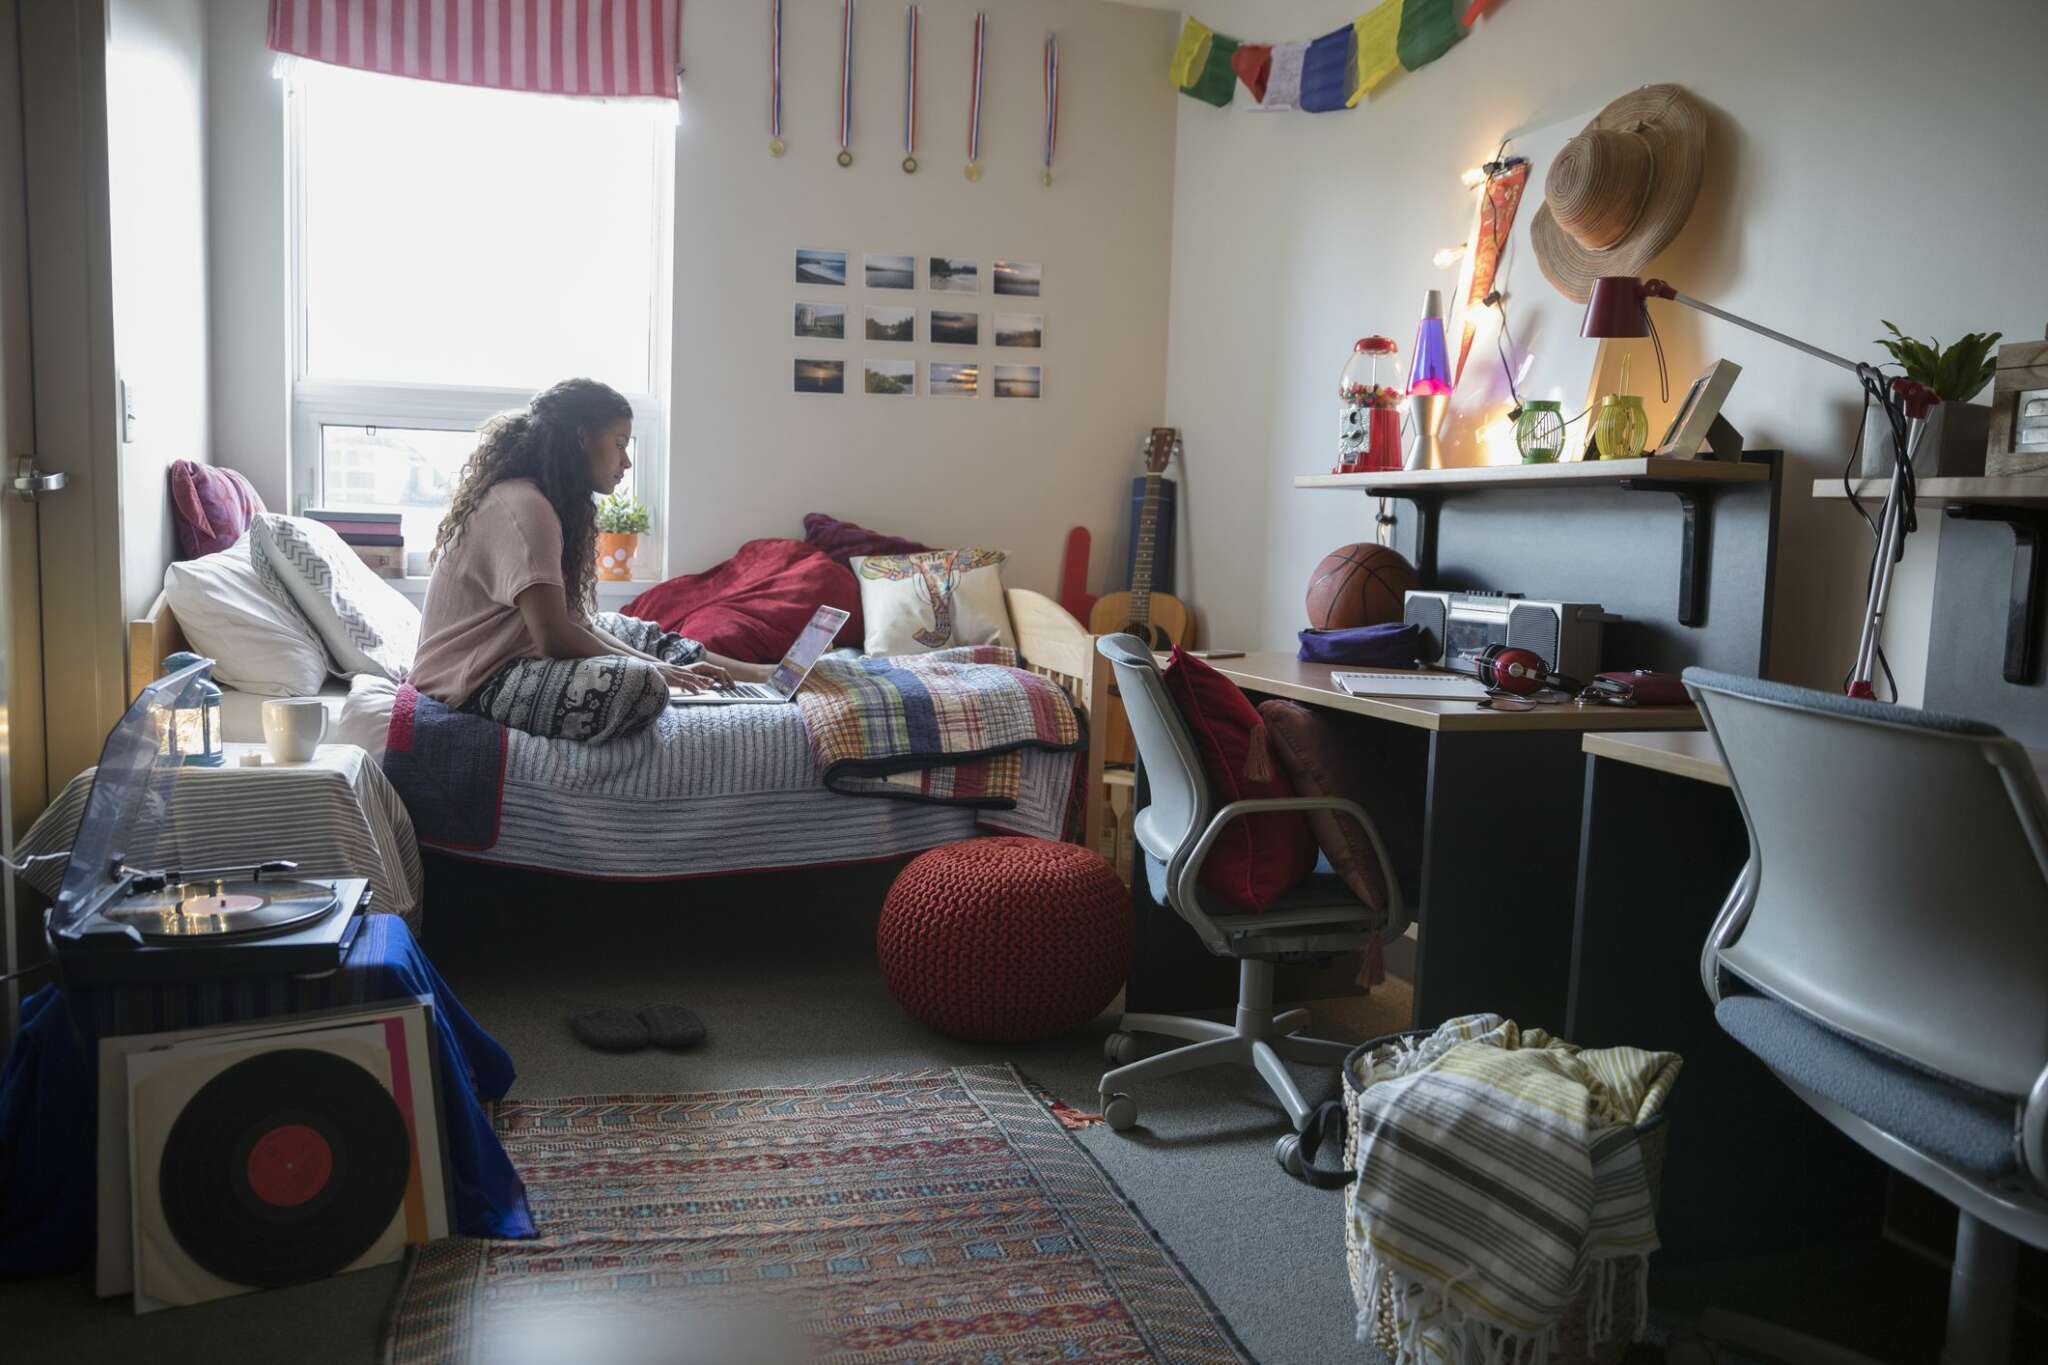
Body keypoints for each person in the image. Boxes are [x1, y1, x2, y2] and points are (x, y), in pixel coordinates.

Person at [410, 378, 770, 742]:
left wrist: (662, 665)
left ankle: (758, 676)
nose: (626, 461)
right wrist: (656, 672)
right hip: (469, 684)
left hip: (505, 660)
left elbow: (574, 623)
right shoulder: (524, 507)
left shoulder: (541, 501)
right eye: (619, 444)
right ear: (582, 438)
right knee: (642, 684)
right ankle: (695, 675)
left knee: (628, 630)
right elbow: (554, 638)